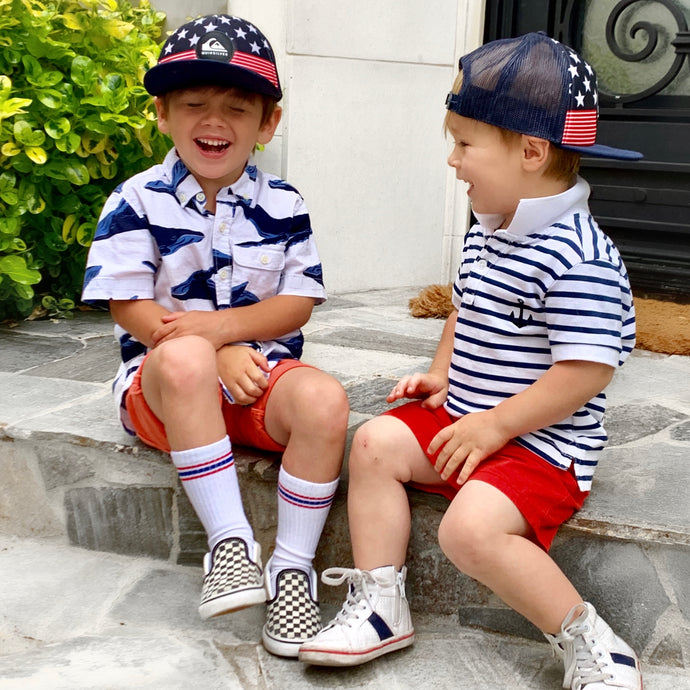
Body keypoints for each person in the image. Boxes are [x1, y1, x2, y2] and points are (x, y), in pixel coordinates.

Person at [298, 32, 643, 690]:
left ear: (532, 152)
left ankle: (587, 637)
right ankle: (379, 605)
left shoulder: (580, 257)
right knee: (373, 443)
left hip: (540, 448)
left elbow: (586, 372)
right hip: (468, 423)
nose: (453, 161)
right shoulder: (490, 228)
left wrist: (496, 426)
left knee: (468, 532)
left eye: (464, 143)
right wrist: (441, 374)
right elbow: (466, 312)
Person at [81, 14, 349, 659]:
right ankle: (229, 544)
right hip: (166, 395)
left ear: (267, 125)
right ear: (161, 114)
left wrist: (228, 334)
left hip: (256, 387)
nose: (214, 121)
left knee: (325, 403)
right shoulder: (136, 199)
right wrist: (208, 347)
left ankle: (290, 572)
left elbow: (297, 302)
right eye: (194, 103)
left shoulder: (284, 204)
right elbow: (126, 301)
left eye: (237, 106)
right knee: (183, 366)